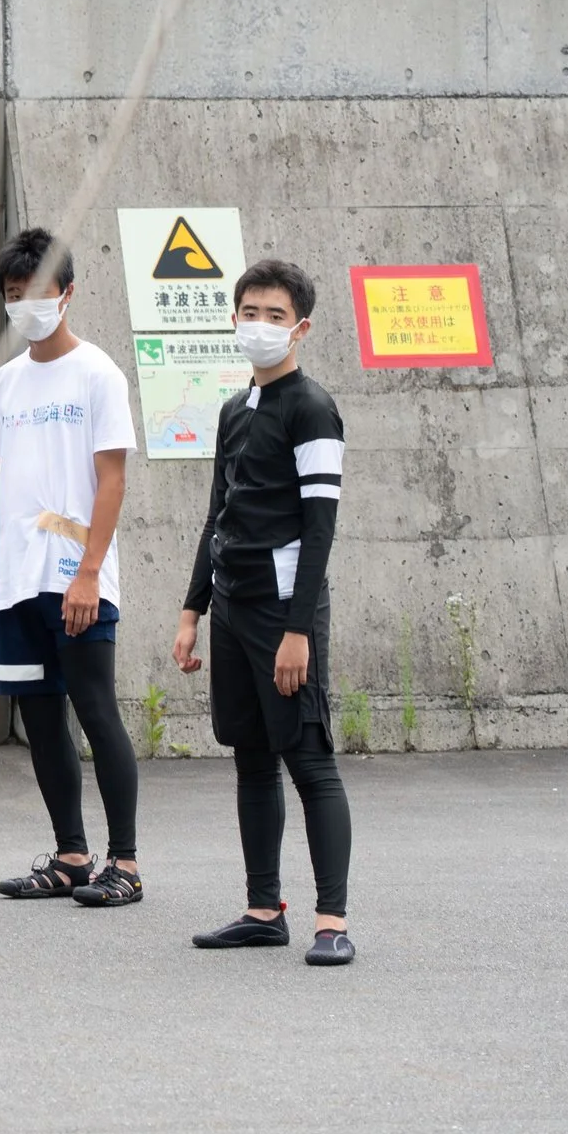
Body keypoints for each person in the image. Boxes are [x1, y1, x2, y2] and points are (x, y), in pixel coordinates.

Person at [174, 258, 356, 966]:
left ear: (300, 328)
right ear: (233, 319)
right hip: (232, 605)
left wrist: (298, 631)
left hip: (285, 613)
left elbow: (320, 529)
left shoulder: (312, 408)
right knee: (251, 759)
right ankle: (262, 910)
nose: (260, 325)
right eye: (249, 312)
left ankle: (332, 922)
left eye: (275, 315)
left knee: (309, 761)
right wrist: (193, 610)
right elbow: (217, 515)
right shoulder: (234, 410)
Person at [0, 228, 145, 909]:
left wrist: (89, 573)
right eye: (13, 295)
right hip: (19, 582)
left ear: (67, 293)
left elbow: (112, 480)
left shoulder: (98, 374)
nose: (25, 306)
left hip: (77, 577)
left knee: (96, 711)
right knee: (41, 718)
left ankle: (125, 863)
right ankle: (72, 857)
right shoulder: (3, 385)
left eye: (36, 293)